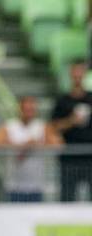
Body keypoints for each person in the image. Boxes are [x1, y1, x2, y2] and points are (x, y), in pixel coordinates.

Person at [0, 96, 63, 202]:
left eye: (31, 109)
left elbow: (58, 143)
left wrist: (36, 145)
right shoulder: (10, 126)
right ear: (20, 109)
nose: (28, 112)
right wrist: (22, 147)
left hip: (36, 185)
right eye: (26, 109)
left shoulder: (41, 126)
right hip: (14, 185)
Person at [50, 61, 92, 201]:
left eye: (81, 72)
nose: (78, 75)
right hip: (69, 158)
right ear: (71, 74)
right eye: (75, 72)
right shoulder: (63, 100)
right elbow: (53, 127)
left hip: (89, 157)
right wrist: (71, 121)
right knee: (67, 197)